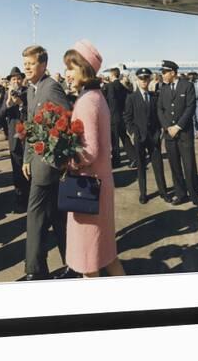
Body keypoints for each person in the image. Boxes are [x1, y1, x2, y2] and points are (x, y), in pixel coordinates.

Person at [61, 40, 125, 278]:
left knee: (88, 265)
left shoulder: (87, 101)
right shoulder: (97, 96)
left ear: (85, 69)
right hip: (100, 185)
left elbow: (89, 151)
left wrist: (66, 160)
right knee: (107, 256)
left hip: (87, 190)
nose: (67, 74)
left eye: (71, 68)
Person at [21, 45, 69, 280]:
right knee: (58, 218)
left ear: (43, 65)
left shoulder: (51, 87)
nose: (26, 67)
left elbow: (68, 123)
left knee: (35, 216)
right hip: (37, 163)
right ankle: (73, 263)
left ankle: (35, 270)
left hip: (48, 167)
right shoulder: (32, 90)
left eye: (30, 63)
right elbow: (31, 126)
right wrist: (27, 157)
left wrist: (55, 159)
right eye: (25, 63)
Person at [157, 60, 198, 209]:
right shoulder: (164, 88)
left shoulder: (187, 86)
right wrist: (167, 127)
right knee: (175, 166)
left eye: (164, 72)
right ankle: (181, 194)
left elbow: (190, 107)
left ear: (173, 72)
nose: (162, 75)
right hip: (169, 135)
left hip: (184, 133)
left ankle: (195, 196)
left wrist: (178, 126)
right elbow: (160, 109)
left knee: (189, 165)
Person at [124, 68, 171, 205]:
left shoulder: (155, 96)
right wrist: (133, 132)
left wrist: (161, 131)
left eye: (146, 79)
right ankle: (143, 193)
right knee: (141, 166)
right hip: (139, 137)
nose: (144, 81)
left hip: (154, 137)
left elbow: (159, 115)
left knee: (158, 166)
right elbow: (127, 117)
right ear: (137, 80)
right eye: (141, 79)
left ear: (150, 80)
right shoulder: (131, 98)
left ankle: (163, 192)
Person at [0, 66, 29, 213]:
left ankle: (30, 197)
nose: (16, 81)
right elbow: (0, 114)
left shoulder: (28, 92)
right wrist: (9, 103)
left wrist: (21, 104)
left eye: (18, 78)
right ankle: (20, 198)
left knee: (28, 165)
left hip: (27, 134)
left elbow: (31, 113)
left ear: (22, 80)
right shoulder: (7, 94)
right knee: (16, 168)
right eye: (13, 79)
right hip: (13, 135)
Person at [103, 67, 136, 168]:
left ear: (112, 75)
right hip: (121, 116)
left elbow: (104, 100)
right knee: (124, 137)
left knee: (114, 140)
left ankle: (116, 162)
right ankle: (134, 157)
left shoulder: (108, 86)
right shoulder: (122, 87)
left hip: (112, 117)